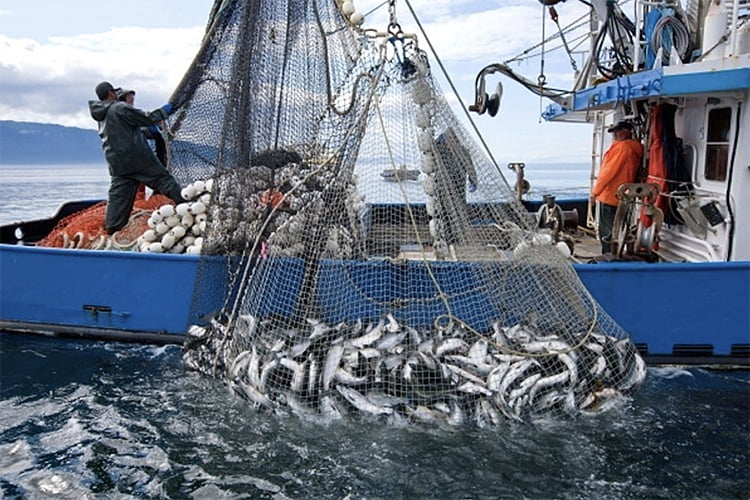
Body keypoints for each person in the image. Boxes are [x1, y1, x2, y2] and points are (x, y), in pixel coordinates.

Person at [89, 81, 184, 234]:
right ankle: (188, 205)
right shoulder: (120, 107)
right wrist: (165, 110)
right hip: (139, 159)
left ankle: (111, 230)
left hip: (117, 165)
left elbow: (128, 130)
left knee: (118, 199)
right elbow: (148, 118)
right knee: (164, 180)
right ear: (111, 93)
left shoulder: (101, 116)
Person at [590, 120, 644, 253]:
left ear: (627, 132)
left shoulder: (622, 148)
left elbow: (608, 172)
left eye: (617, 131)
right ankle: (617, 254)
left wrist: (595, 192)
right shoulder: (635, 148)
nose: (614, 134)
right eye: (614, 131)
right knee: (620, 229)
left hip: (610, 196)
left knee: (607, 232)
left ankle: (608, 256)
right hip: (624, 196)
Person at [117, 88, 168, 166]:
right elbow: (144, 120)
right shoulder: (123, 113)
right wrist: (164, 112)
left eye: (132, 96)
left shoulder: (129, 113)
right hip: (129, 157)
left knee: (158, 135)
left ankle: (161, 163)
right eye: (129, 96)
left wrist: (155, 126)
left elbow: (144, 119)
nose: (132, 98)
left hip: (135, 157)